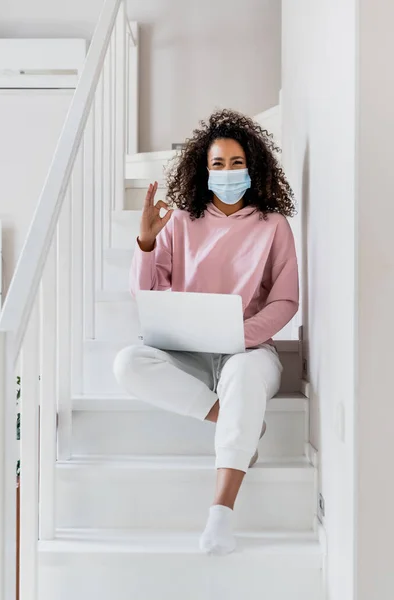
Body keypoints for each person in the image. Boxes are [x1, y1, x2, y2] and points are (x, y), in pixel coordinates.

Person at [113, 109, 299, 555]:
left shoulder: (273, 226)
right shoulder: (180, 222)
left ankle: (221, 513)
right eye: (218, 164)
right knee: (128, 363)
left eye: (237, 163)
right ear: (204, 169)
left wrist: (240, 336)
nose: (228, 172)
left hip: (249, 351)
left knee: (243, 377)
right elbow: (147, 295)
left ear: (252, 168)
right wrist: (146, 244)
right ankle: (239, 421)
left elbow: (285, 301)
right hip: (189, 353)